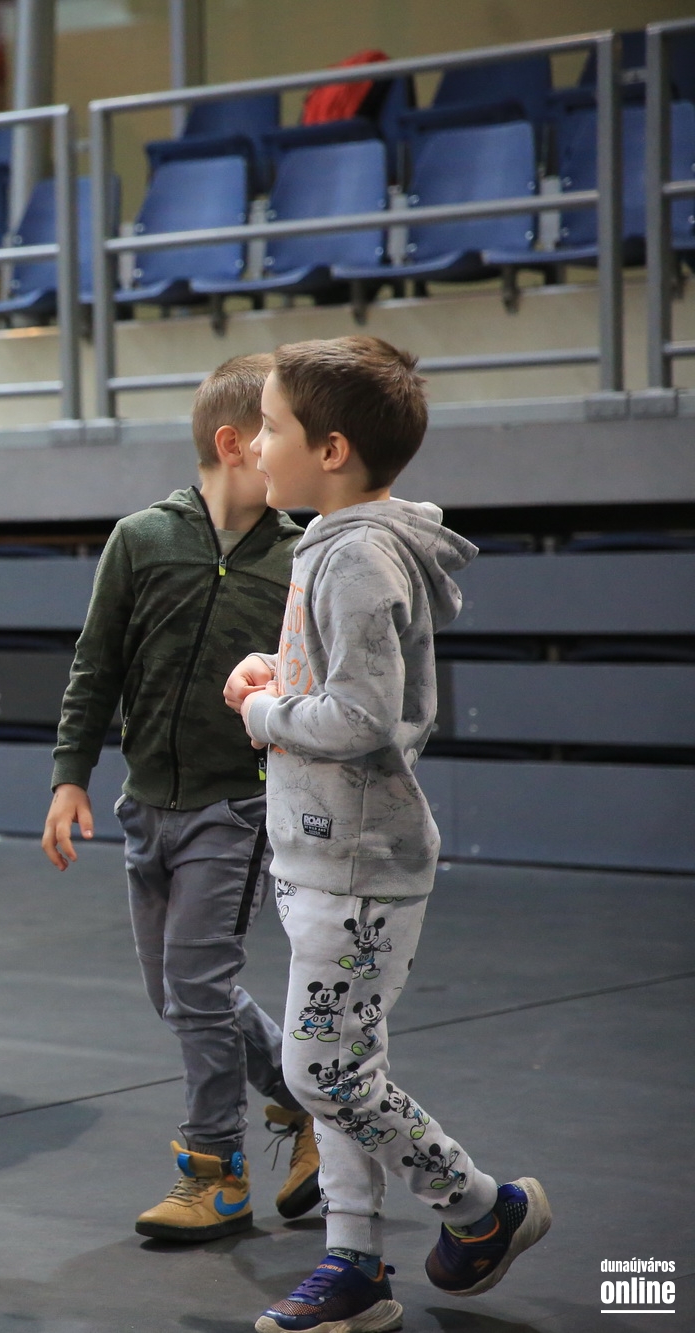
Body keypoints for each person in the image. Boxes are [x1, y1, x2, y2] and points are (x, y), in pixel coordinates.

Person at [225, 336, 549, 1333]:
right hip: (318, 852)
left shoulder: (359, 555)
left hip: (357, 866)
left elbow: (362, 717)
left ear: (330, 450)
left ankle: (478, 1206)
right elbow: (339, 684)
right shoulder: (331, 539)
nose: (254, 447)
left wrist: (264, 713)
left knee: (320, 1073)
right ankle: (355, 1267)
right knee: (340, 1071)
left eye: (270, 428)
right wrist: (277, 676)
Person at [41, 354, 319, 1244]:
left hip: (234, 810)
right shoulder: (141, 540)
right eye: (277, 434)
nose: (289, 452)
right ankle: (306, 1100)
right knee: (179, 993)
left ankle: (214, 1171)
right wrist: (70, 775)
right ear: (236, 444)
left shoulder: (301, 557)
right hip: (145, 807)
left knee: (199, 986)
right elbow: (96, 665)